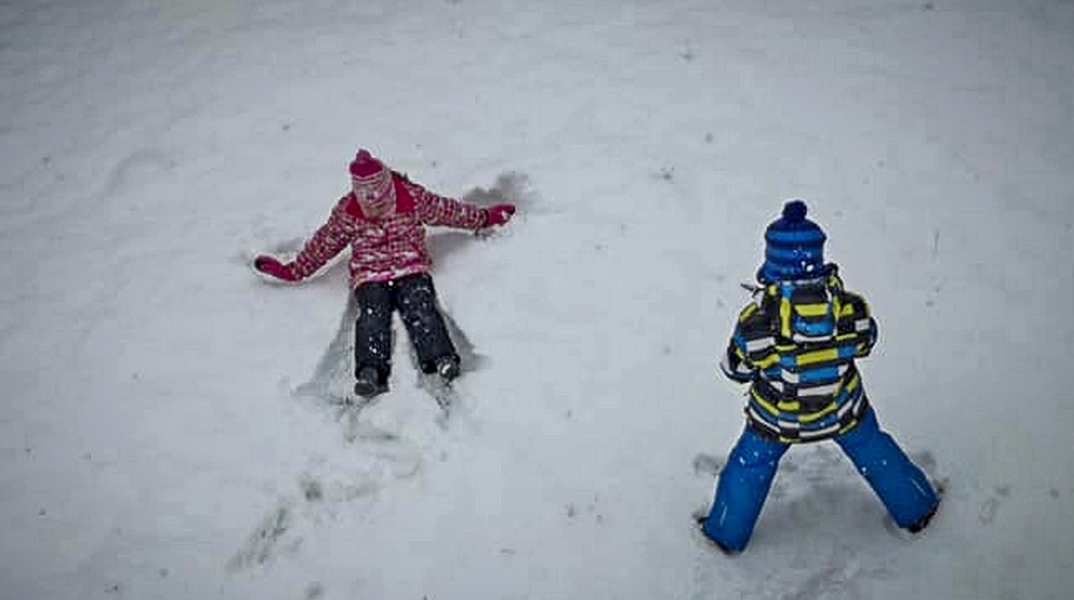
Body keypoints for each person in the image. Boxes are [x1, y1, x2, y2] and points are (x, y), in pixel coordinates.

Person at [697, 200, 939, 554]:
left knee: (748, 467)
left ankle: (725, 533)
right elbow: (866, 341)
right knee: (875, 450)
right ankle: (917, 507)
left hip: (776, 420)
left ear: (771, 263)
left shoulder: (757, 322)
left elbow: (736, 369)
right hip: (843, 411)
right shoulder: (850, 308)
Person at [253, 149, 516, 398]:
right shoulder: (348, 212)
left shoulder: (411, 197)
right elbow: (325, 243)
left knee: (421, 306)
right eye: (368, 205)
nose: (375, 209)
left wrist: (485, 218)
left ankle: (441, 357)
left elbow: (448, 211)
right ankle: (370, 371)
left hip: (410, 267)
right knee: (372, 316)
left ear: (389, 189)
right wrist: (294, 271)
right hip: (369, 275)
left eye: (381, 203)